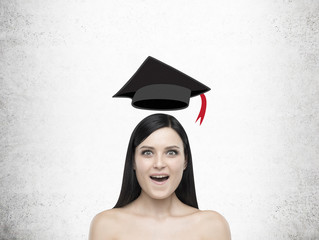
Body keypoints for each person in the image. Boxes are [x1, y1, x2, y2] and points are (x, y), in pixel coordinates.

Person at [89, 113, 231, 240]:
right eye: (147, 153)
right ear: (133, 160)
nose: (159, 164)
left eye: (171, 152)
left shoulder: (212, 226)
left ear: (185, 160)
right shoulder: (106, 225)